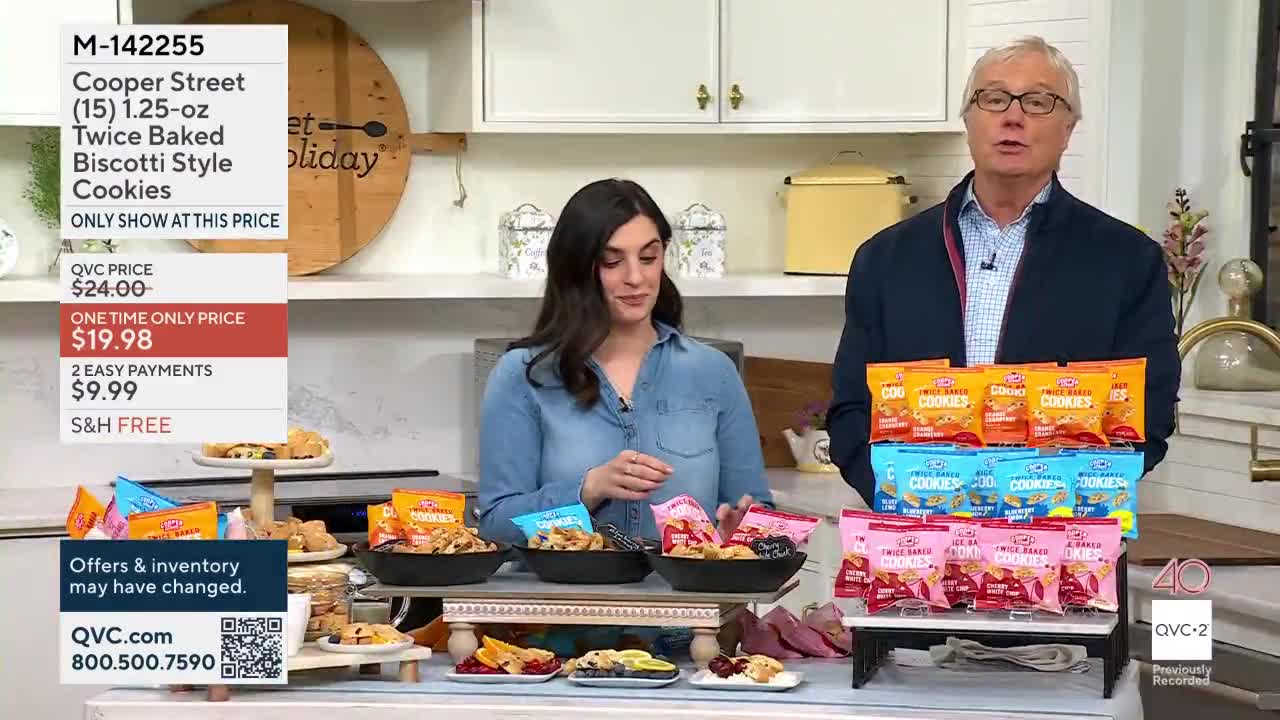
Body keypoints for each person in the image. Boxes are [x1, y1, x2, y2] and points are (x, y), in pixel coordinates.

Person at [826, 36, 1180, 507]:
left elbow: (1149, 411)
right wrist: (904, 499)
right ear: (969, 120)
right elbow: (851, 408)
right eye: (993, 99)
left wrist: (1050, 502)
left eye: (1037, 102)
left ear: (1069, 128)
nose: (1012, 117)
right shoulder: (885, 259)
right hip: (916, 550)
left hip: (1065, 550)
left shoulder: (1127, 261)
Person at [477, 178, 772, 546]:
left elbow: (756, 512)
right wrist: (587, 490)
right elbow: (497, 525)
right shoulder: (524, 375)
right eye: (612, 262)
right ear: (576, 268)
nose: (636, 278)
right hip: (561, 601)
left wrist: (744, 532)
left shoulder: (713, 372)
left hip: (687, 600)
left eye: (649, 258)